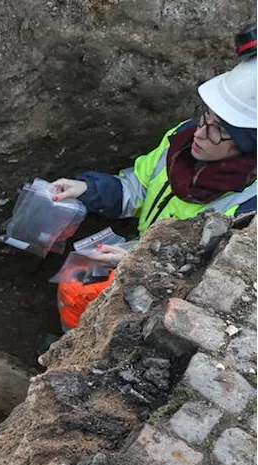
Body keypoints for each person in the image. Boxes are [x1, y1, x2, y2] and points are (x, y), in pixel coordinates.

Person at [48, 59, 258, 330]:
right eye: (207, 115)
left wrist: (140, 264)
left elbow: (213, 280)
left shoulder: (249, 206)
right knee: (77, 271)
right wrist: (87, 190)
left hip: (174, 286)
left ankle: (77, 356)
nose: (201, 132)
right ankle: (70, 343)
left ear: (248, 146)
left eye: (221, 130)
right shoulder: (180, 140)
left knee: (76, 286)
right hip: (140, 249)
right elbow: (137, 188)